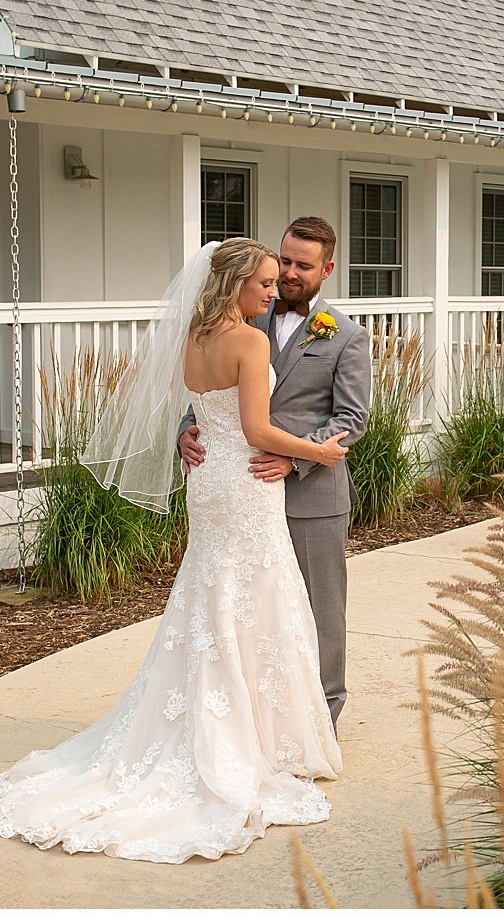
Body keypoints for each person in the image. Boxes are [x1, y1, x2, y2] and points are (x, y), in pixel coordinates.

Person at [0, 238, 350, 864]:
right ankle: (249, 741)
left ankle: (229, 726)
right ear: (233, 285)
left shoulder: (194, 340)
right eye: (260, 281)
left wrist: (200, 437)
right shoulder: (251, 341)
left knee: (214, 596)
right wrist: (320, 452)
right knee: (254, 595)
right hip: (249, 481)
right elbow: (257, 431)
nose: (270, 289)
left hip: (209, 483)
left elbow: (205, 413)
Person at [178, 216, 370, 726]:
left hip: (312, 494)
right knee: (253, 609)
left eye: (302, 266)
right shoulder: (246, 315)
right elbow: (210, 393)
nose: (287, 274)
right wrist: (187, 430)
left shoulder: (347, 336)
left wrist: (297, 457)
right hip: (243, 492)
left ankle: (323, 716)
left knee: (318, 609)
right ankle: (257, 719)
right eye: (283, 261)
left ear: (327, 269)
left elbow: (350, 420)